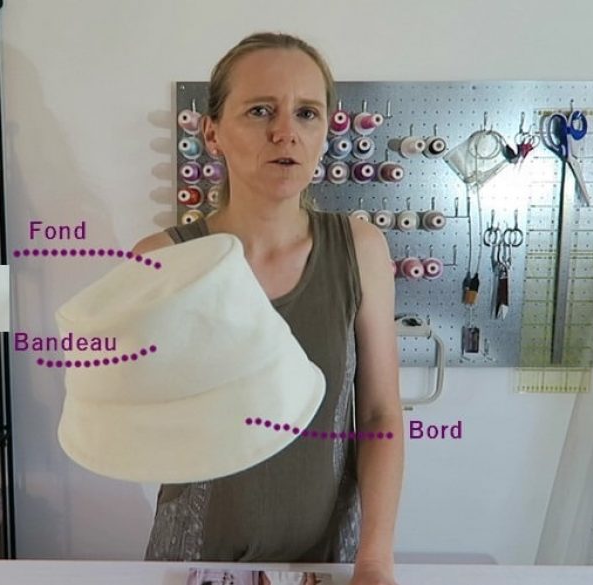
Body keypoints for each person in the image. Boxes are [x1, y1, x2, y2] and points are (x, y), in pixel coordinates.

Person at [133, 33, 403, 585]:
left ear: (325, 130)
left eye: (307, 113)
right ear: (212, 132)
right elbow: (132, 417)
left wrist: (375, 559)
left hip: (325, 561)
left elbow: (380, 414)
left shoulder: (359, 250)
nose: (286, 132)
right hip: (193, 560)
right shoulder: (164, 259)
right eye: (260, 111)